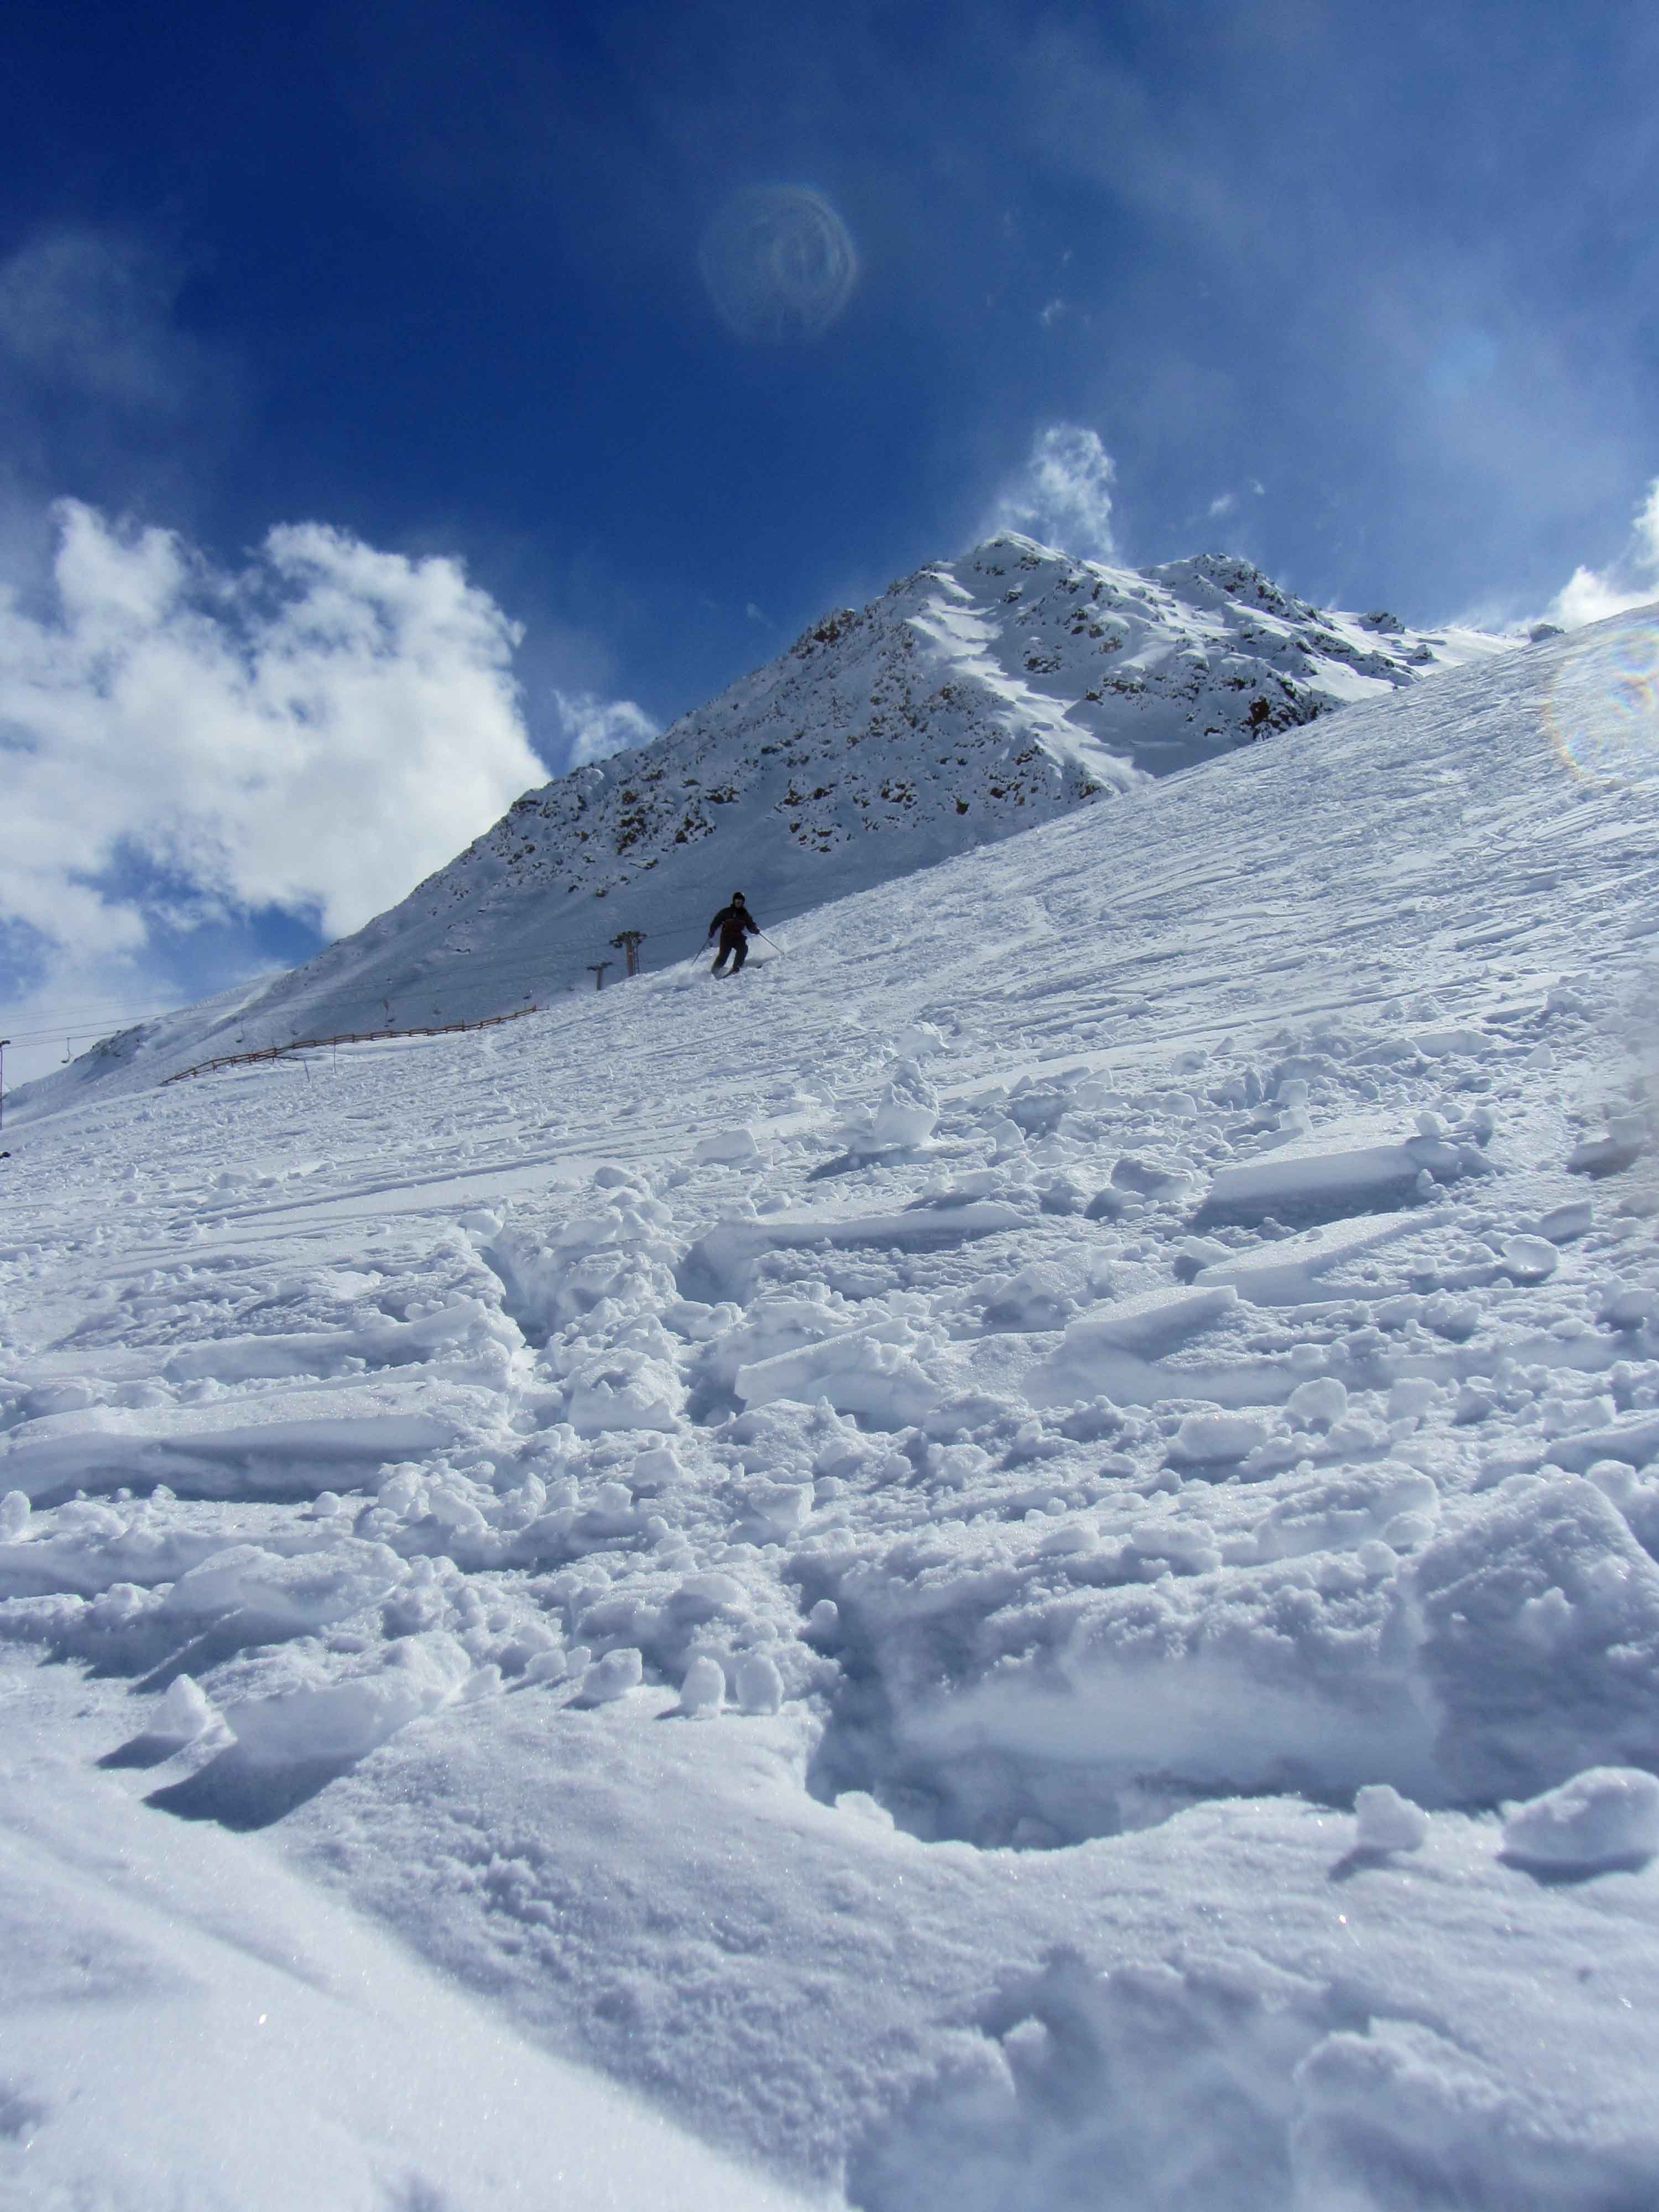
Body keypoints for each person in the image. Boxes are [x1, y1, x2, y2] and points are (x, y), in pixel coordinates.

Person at [707, 891, 759, 975]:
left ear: (743, 903)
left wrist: (754, 929)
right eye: (737, 901)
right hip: (726, 937)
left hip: (737, 937)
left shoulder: (745, 914)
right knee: (723, 956)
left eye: (740, 902)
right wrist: (712, 930)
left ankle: (736, 968)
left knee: (743, 948)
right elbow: (716, 921)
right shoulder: (726, 912)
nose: (738, 903)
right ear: (734, 902)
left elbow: (750, 924)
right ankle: (714, 972)